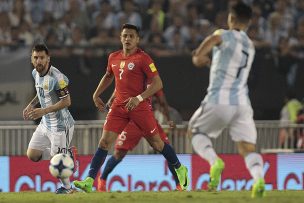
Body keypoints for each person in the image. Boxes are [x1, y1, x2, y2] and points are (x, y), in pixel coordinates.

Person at [73, 23, 189, 192]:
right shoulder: (113, 57)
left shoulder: (143, 58)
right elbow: (108, 76)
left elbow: (158, 84)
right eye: (125, 36)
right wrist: (96, 94)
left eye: (131, 36)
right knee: (104, 142)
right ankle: (89, 181)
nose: (127, 39)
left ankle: (180, 168)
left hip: (140, 107)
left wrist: (139, 98)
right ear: (121, 38)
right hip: (119, 107)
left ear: (137, 39)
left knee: (157, 144)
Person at [189, 2, 265, 198]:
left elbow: (198, 56)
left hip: (219, 100)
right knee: (247, 148)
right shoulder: (250, 45)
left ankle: (215, 162)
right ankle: (258, 179)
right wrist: (211, 62)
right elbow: (228, 67)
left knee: (195, 131)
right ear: (248, 22)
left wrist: (198, 58)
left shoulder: (221, 35)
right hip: (242, 103)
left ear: (231, 18)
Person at [97, 89, 182, 192]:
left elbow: (161, 100)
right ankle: (102, 179)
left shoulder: (151, 79)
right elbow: (162, 101)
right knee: (120, 153)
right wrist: (168, 119)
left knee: (167, 150)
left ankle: (179, 184)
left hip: (146, 120)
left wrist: (111, 100)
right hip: (135, 121)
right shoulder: (150, 79)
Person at [23, 44, 77, 194]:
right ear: (32, 59)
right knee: (32, 155)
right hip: (45, 123)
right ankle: (65, 153)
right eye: (36, 58)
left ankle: (68, 189)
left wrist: (43, 111)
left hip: (61, 126)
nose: (39, 61)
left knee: (58, 165)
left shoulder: (57, 78)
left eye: (41, 57)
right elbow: (41, 93)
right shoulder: (35, 73)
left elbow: (67, 102)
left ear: (48, 58)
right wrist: (31, 105)